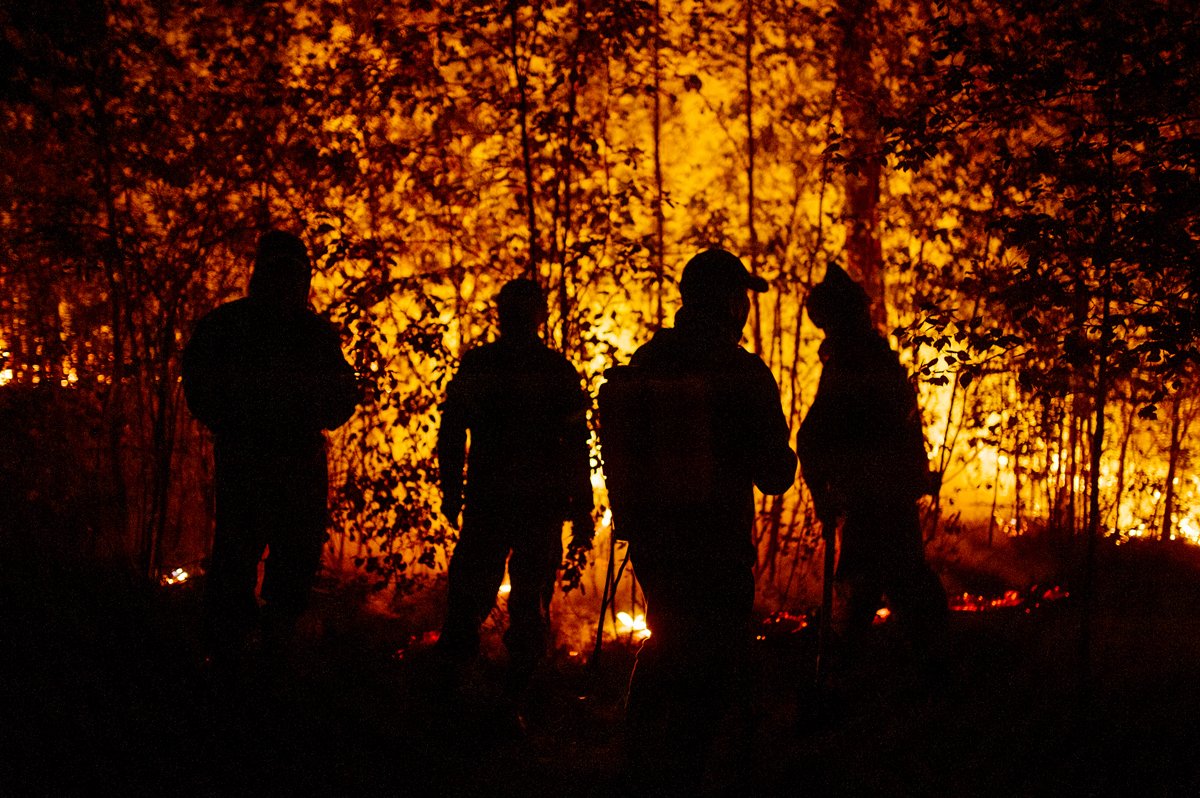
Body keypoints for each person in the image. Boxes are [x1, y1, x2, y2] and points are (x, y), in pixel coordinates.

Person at [602, 248, 796, 793]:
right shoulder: (742, 372)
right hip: (718, 541)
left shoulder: (647, 361)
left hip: (655, 540)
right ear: (729, 302)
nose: (745, 308)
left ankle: (638, 757)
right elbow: (775, 475)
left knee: (667, 635)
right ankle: (684, 770)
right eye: (741, 297)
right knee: (712, 656)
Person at [182, 230, 359, 675]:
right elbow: (200, 387)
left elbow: (341, 395)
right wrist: (242, 422)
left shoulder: (301, 332)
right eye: (280, 272)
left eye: (293, 274)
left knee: (286, 555)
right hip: (259, 458)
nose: (287, 283)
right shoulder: (233, 327)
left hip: (285, 458)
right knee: (244, 554)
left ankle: (259, 652)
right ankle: (236, 654)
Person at [435, 278, 593, 689]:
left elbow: (453, 431)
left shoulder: (482, 365)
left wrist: (452, 490)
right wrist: (580, 509)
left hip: (498, 500)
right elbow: (577, 445)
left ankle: (465, 690)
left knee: (483, 598)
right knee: (520, 601)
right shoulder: (554, 370)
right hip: (530, 503)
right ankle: (507, 691)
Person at [796, 263, 948, 669]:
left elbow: (816, 436)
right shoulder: (871, 359)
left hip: (873, 497)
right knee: (895, 583)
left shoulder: (855, 363)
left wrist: (822, 488)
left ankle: (849, 673)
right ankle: (922, 671)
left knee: (875, 585)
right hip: (882, 495)